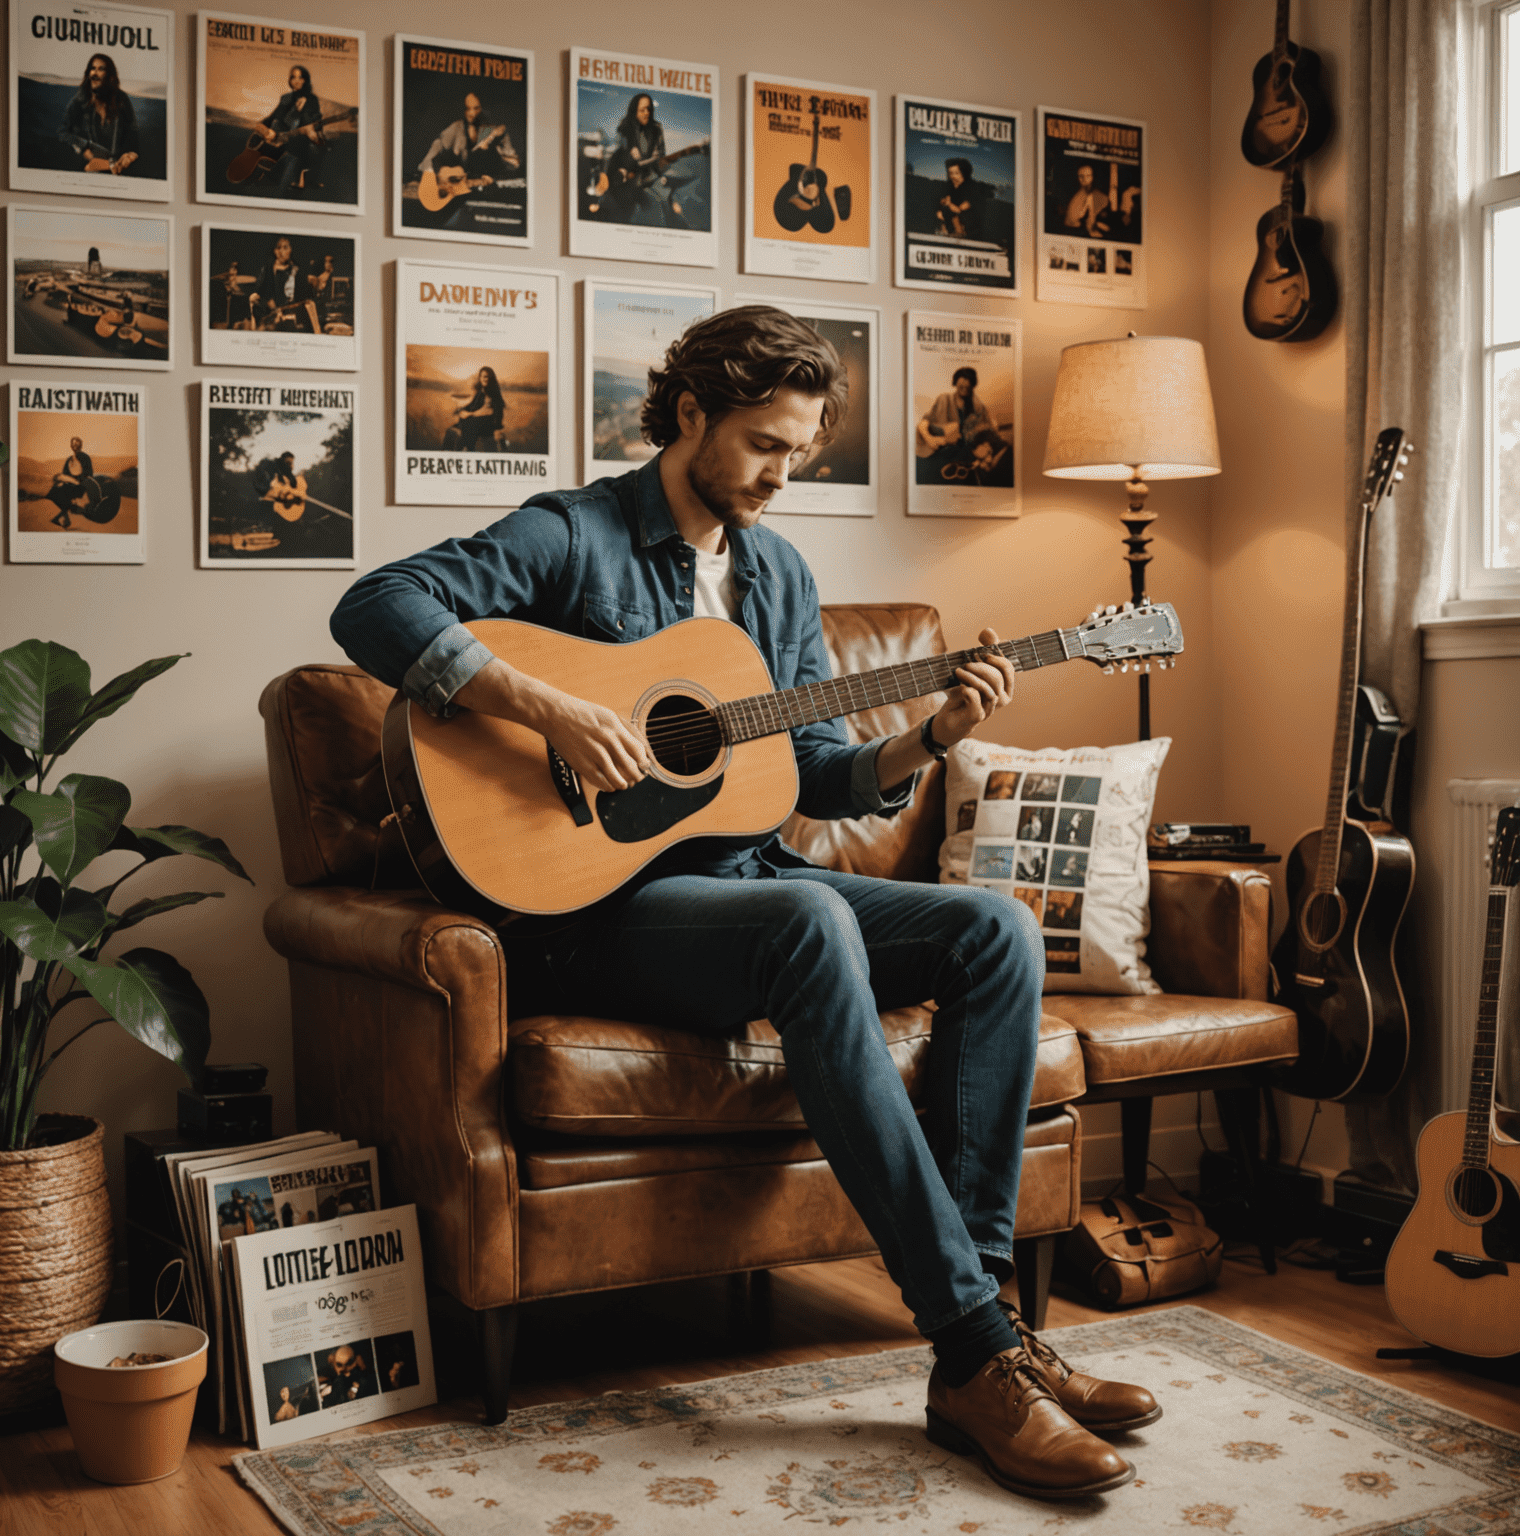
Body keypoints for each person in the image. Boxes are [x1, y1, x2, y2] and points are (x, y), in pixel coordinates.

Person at [330, 305, 1158, 1502]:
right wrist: (547, 707)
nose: (782, 474)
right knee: (810, 923)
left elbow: (812, 769)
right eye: (767, 444)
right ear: (690, 416)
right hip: (598, 914)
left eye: (801, 450)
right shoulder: (574, 535)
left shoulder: (776, 574)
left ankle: (987, 1351)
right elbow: (377, 604)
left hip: (749, 891)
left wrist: (931, 735)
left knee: (995, 927)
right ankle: (980, 1349)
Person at [603, 93, 687, 228]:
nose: (647, 112)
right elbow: (625, 157)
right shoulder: (625, 128)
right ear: (634, 111)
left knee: (662, 204)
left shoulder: (656, 129)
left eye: (649, 109)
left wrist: (657, 172)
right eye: (642, 110)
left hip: (648, 177)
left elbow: (659, 156)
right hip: (624, 180)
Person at [58, 53, 140, 175]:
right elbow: (62, 133)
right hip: (89, 171)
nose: (94, 74)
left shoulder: (121, 99)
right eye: (92, 68)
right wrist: (84, 149)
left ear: (110, 76)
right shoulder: (79, 101)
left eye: (101, 69)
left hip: (118, 172)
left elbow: (133, 136)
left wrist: (130, 155)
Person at [417, 93, 518, 187]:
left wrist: (495, 152)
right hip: (460, 188)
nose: (472, 113)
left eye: (476, 108)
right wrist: (431, 173)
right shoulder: (457, 128)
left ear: (483, 108)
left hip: (487, 187)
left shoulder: (495, 130)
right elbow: (431, 154)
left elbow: (514, 165)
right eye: (467, 108)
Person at [258, 66, 323, 193]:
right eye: (293, 77)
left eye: (300, 77)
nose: (296, 80)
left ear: (305, 80)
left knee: (294, 153)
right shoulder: (286, 98)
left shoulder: (311, 99)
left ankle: (290, 184)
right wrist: (264, 129)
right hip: (282, 141)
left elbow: (314, 123)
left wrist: (302, 111)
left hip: (299, 143)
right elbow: (274, 117)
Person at [250, 236, 318, 333]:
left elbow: (304, 297)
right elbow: (262, 292)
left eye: (285, 247)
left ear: (291, 250)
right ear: (274, 251)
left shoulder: (297, 271)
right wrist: (274, 309)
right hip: (271, 316)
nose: (281, 252)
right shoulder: (267, 270)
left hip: (293, 314)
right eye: (278, 248)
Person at [442, 366, 505, 452]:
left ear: (491, 377)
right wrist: (462, 410)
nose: (484, 379)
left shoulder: (493, 392)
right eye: (482, 376)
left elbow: (490, 411)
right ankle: (451, 451)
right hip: (479, 421)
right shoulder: (481, 392)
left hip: (488, 425)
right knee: (455, 428)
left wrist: (469, 414)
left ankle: (467, 449)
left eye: (486, 376)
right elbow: (472, 405)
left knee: (468, 423)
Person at [936, 158, 982, 240]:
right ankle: (945, 232)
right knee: (941, 213)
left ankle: (960, 233)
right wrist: (943, 203)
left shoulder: (972, 187)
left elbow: (959, 209)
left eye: (956, 173)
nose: (953, 176)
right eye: (950, 173)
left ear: (964, 173)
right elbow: (943, 201)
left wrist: (949, 204)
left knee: (953, 213)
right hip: (952, 218)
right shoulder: (949, 186)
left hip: (969, 223)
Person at [1062, 162, 1110, 237]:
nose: (1085, 180)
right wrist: (1092, 230)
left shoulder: (1093, 193)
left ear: (1093, 177)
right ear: (1078, 178)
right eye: (1081, 176)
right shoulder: (1080, 194)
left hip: (1082, 225)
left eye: (1088, 176)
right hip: (1074, 229)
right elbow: (1074, 220)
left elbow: (1091, 213)